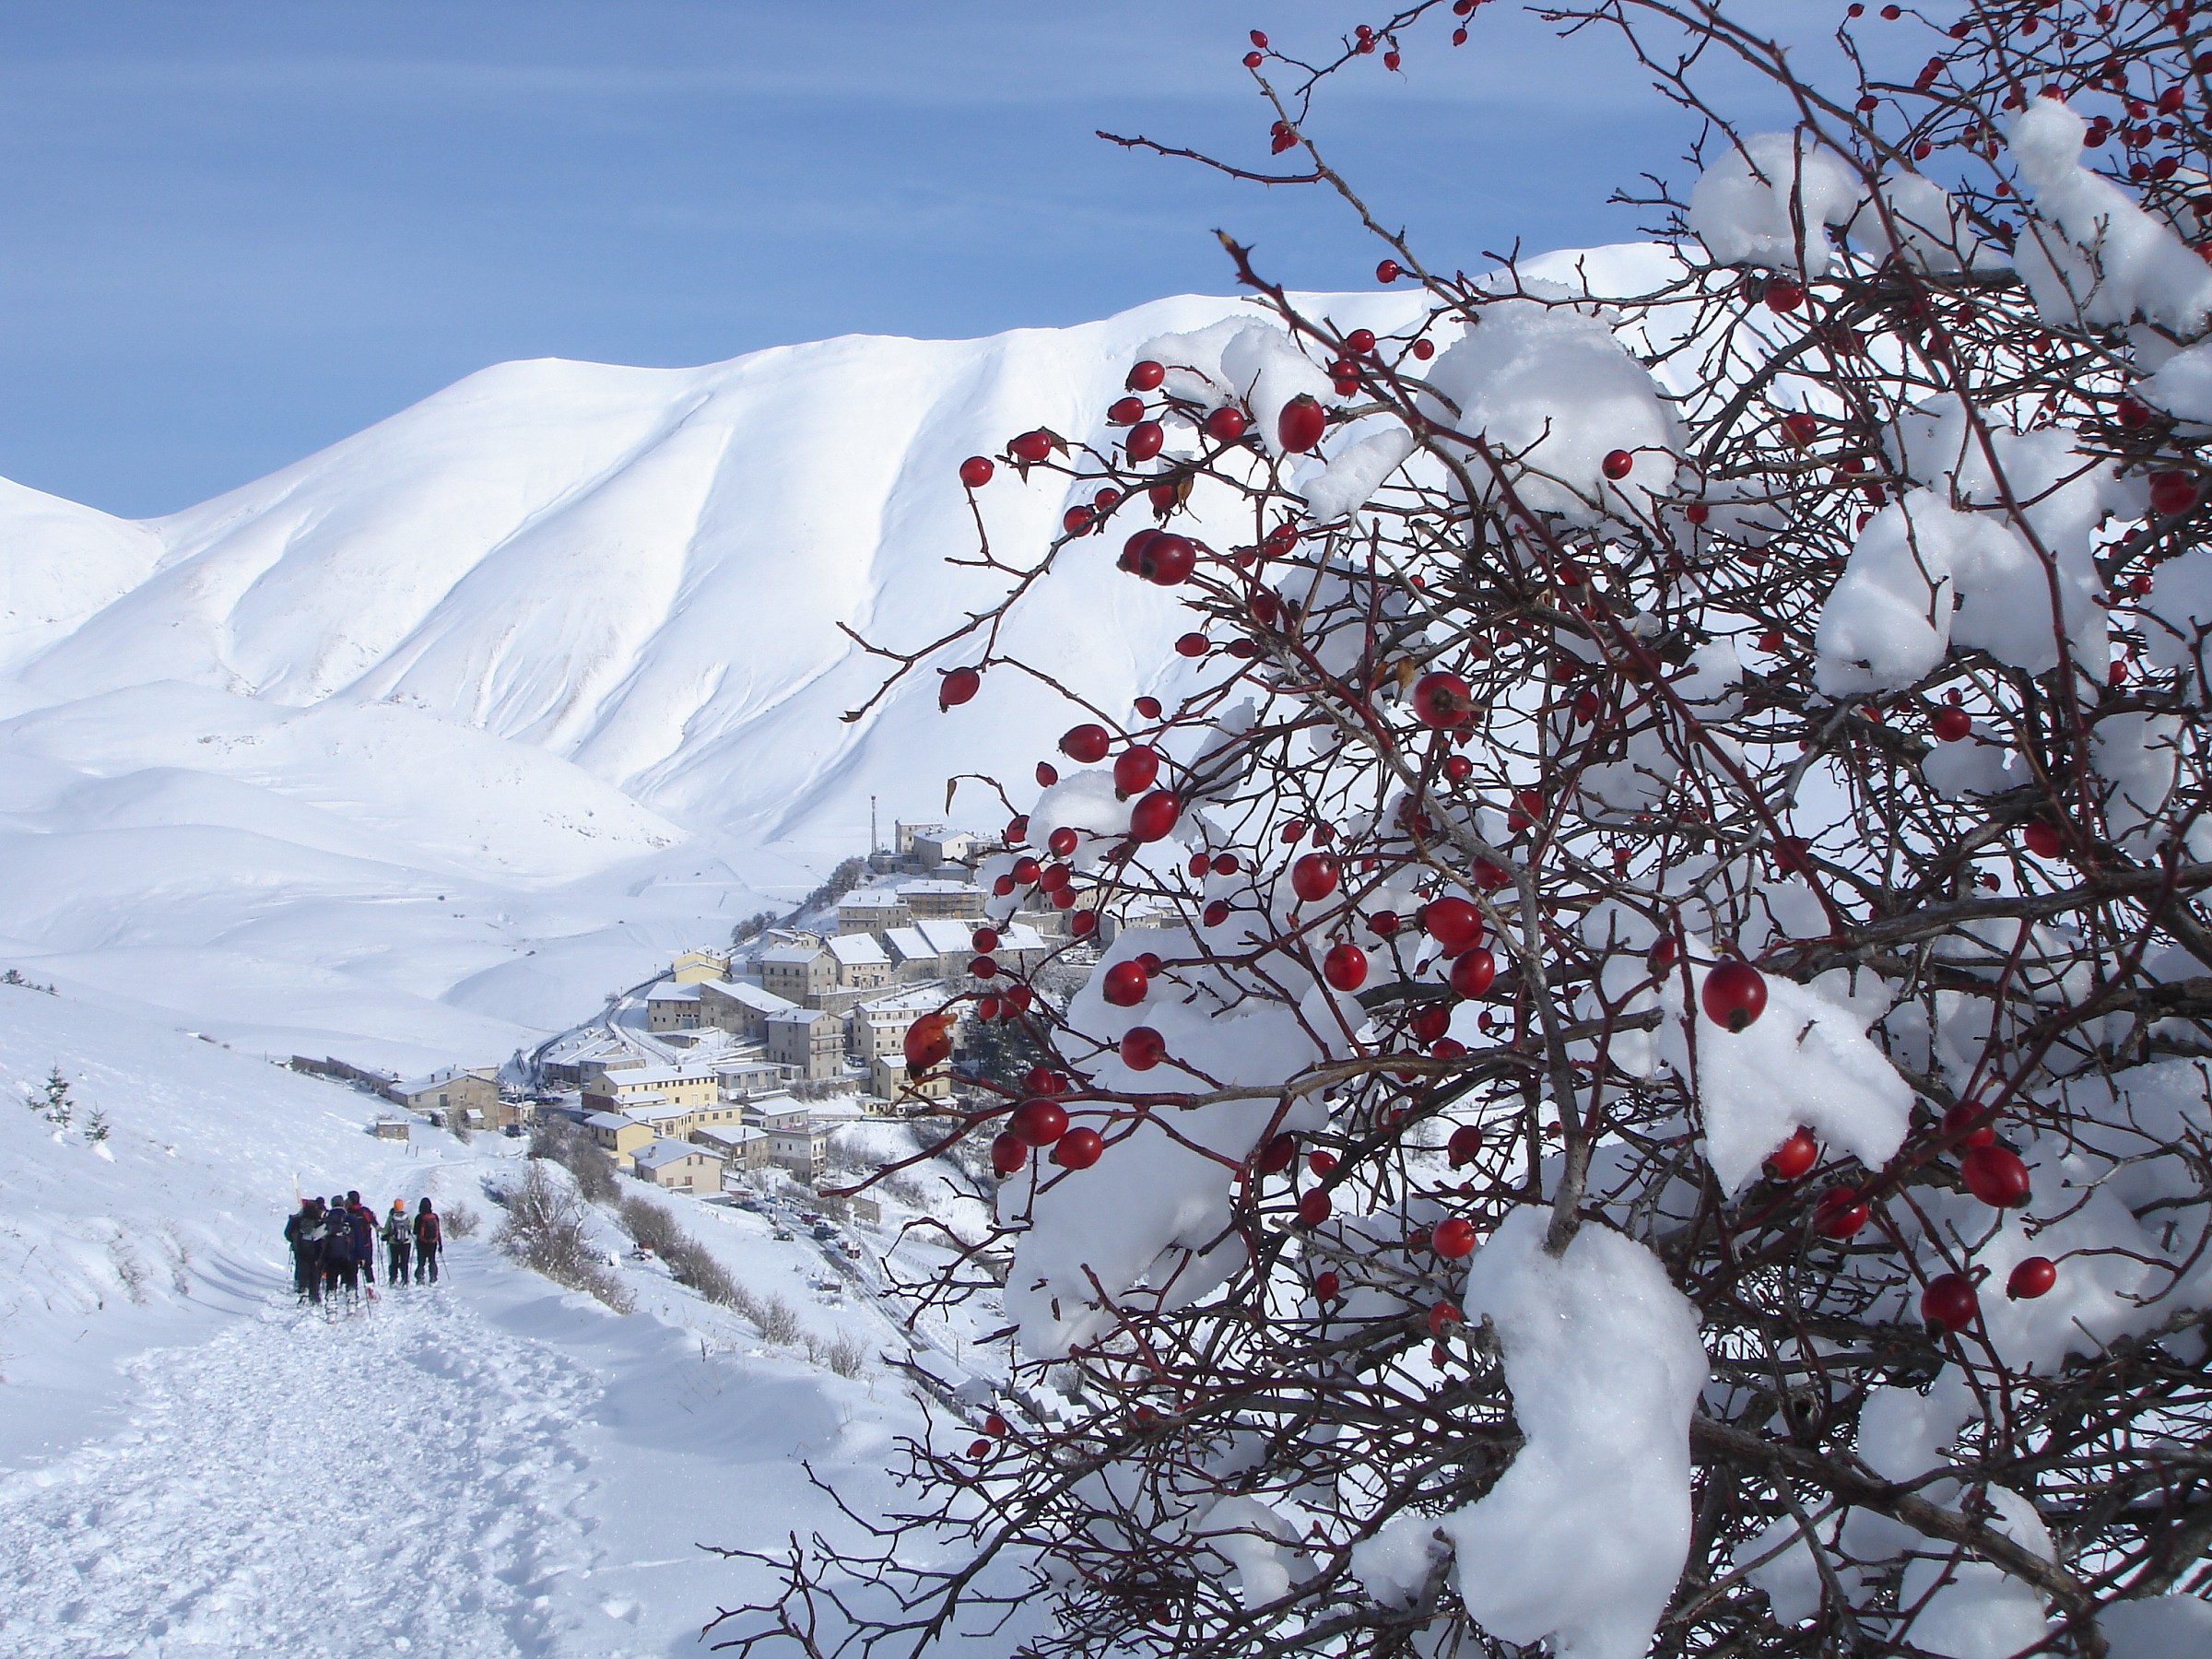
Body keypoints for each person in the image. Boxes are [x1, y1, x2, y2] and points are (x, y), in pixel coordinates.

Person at [283, 1198, 325, 1304]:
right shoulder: (319, 1220)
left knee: (302, 1269)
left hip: (300, 1248)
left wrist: (294, 1241)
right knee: (315, 1271)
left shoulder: (298, 1219)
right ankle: (314, 1295)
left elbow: (288, 1233)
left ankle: (303, 1290)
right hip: (316, 1250)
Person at [347, 1191, 377, 1293]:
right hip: (366, 1244)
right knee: (367, 1267)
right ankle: (371, 1288)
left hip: (351, 1245)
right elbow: (375, 1224)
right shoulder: (365, 1211)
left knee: (351, 1269)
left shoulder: (347, 1213)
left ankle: (352, 1290)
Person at [413, 1197, 441, 1285]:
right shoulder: (435, 1217)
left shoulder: (419, 1217)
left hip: (421, 1242)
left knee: (421, 1261)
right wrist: (440, 1244)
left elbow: (415, 1231)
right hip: (433, 1242)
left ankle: (420, 1277)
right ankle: (433, 1277)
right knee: (432, 1260)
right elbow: (438, 1231)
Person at [383, 1199, 412, 1285]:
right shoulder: (407, 1216)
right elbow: (413, 1226)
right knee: (404, 1262)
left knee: (394, 1261)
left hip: (394, 1242)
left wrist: (378, 1229)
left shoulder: (391, 1217)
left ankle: (393, 1279)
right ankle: (405, 1279)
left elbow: (386, 1230)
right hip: (406, 1242)